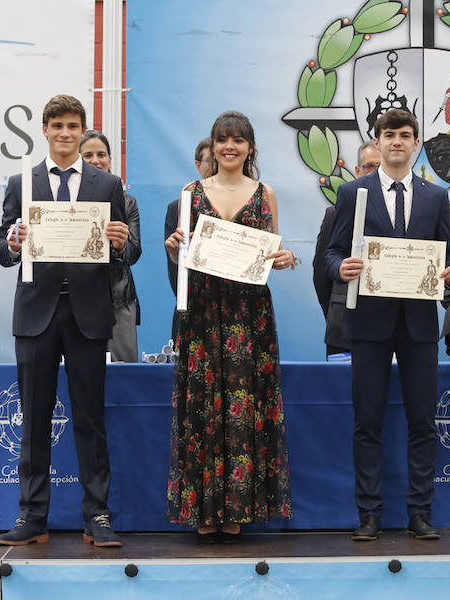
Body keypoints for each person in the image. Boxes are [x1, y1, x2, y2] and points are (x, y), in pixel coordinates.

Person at [0, 94, 132, 547]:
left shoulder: (107, 184)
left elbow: (125, 256)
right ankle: (32, 517)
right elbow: (1, 251)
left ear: (82, 129)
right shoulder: (21, 182)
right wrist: (14, 242)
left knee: (90, 419)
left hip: (88, 314)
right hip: (36, 314)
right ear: (45, 130)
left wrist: (119, 242)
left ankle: (98, 516)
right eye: (58, 126)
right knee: (33, 419)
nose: (66, 133)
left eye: (74, 126)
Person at [324, 108, 450, 541]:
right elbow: (330, 253)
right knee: (368, 423)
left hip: (419, 325)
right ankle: (369, 514)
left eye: (405, 135)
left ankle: (420, 512)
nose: (397, 141)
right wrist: (340, 268)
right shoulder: (353, 193)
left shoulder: (435, 197)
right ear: (378, 141)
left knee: (423, 423)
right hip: (368, 324)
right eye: (389, 135)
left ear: (417, 143)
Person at [164, 112, 293, 543]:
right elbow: (181, 252)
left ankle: (238, 506)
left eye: (238, 140)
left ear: (251, 147)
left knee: (245, 406)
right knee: (201, 406)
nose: (230, 147)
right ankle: (203, 508)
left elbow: (273, 252)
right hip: (202, 313)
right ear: (213, 146)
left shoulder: (266, 193)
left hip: (248, 316)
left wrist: (284, 257)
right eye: (223, 140)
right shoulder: (190, 193)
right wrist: (173, 247)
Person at [312, 141, 381, 356]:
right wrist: (336, 310)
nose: (374, 173)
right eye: (369, 167)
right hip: (343, 331)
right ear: (358, 171)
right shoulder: (336, 214)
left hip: (391, 332)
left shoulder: (403, 213)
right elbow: (321, 275)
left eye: (381, 167)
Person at [80, 130, 142, 362]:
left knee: (123, 373)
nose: (96, 160)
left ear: (110, 159)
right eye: (88, 155)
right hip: (76, 300)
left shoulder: (127, 203)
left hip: (118, 298)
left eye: (101, 154)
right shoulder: (67, 201)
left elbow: (134, 252)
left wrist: (121, 246)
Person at [165, 138, 214, 342]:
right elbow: (175, 270)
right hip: (192, 307)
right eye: (211, 160)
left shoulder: (243, 203)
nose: (216, 166)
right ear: (197, 165)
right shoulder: (181, 206)